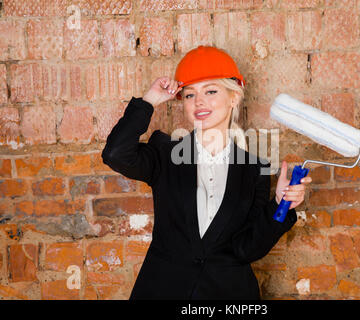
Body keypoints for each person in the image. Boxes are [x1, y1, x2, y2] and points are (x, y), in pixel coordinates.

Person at [101, 45, 312, 300]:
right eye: (190, 95)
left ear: (234, 97)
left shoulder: (255, 169)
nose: (199, 101)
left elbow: (247, 249)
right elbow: (115, 154)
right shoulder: (166, 153)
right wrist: (149, 102)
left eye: (211, 91)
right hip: (163, 290)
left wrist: (280, 205)